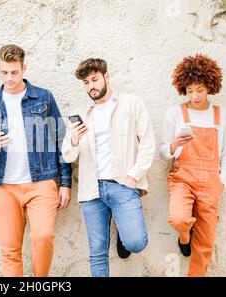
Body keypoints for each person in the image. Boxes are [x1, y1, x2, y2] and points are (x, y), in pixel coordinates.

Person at [0, 44, 72, 277]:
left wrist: (66, 182)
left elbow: (61, 139)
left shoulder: (44, 97)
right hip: (5, 186)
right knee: (9, 249)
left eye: (15, 72)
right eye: (4, 72)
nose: (9, 78)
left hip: (42, 182)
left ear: (24, 68)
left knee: (43, 236)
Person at [62, 58, 156, 277]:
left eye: (94, 79)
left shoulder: (132, 104)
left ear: (106, 77)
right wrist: (74, 139)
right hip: (91, 189)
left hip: (123, 185)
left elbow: (148, 143)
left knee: (135, 242)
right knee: (97, 251)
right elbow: (68, 155)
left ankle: (122, 233)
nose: (91, 86)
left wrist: (135, 175)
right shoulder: (81, 113)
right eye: (86, 83)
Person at [160, 54, 226, 277]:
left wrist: (221, 183)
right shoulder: (175, 113)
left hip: (212, 183)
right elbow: (163, 153)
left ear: (210, 86)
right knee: (179, 219)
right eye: (189, 90)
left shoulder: (221, 115)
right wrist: (173, 145)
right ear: (183, 88)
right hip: (183, 179)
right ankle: (184, 237)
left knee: (205, 243)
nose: (194, 96)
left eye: (199, 90)